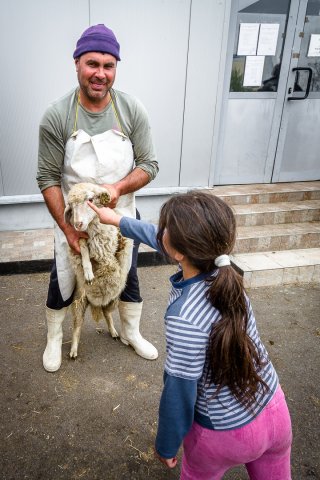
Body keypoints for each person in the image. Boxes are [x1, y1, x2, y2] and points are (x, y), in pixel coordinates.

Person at [88, 191, 293, 480]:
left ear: (180, 251)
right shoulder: (227, 277)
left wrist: (166, 445)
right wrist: (118, 220)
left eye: (167, 229)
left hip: (224, 433)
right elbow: (159, 237)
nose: (161, 233)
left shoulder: (185, 317)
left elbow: (179, 391)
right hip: (274, 410)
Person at [36, 24, 159, 372]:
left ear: (116, 67)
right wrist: (67, 228)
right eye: (92, 64)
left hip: (121, 218)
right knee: (63, 278)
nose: (100, 74)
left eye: (109, 65)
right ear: (76, 63)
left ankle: (132, 332)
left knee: (128, 275)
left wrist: (118, 189)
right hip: (75, 219)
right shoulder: (57, 115)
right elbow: (46, 177)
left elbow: (150, 164)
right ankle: (54, 339)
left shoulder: (131, 110)